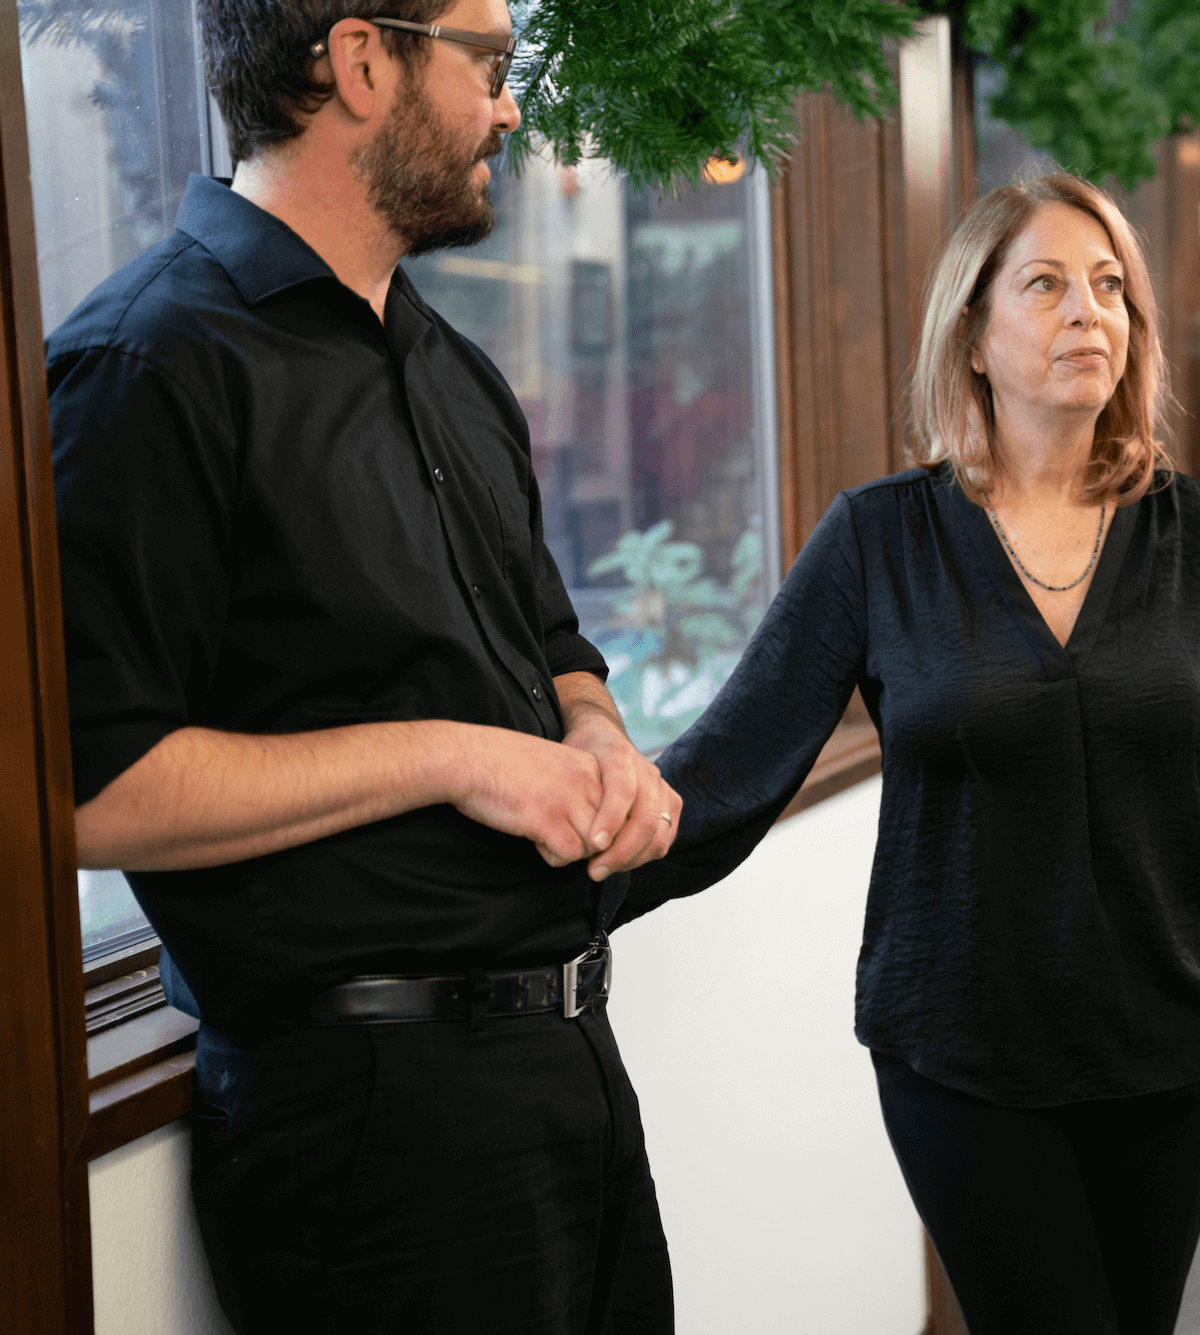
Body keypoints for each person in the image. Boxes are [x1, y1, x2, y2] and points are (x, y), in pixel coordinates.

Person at [51, 1, 680, 1328]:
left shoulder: (453, 370)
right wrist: (455, 756)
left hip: (568, 1064)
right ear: (359, 60)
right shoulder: (144, 367)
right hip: (367, 1124)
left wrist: (599, 735)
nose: (511, 107)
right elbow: (89, 789)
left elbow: (557, 648)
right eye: (489, 64)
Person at [624, 174, 1200, 1335]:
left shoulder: (1187, 529)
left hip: (1173, 1042)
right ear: (971, 334)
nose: (1087, 314)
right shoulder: (880, 537)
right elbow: (725, 770)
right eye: (1045, 286)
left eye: (1108, 288)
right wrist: (520, 891)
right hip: (964, 1055)